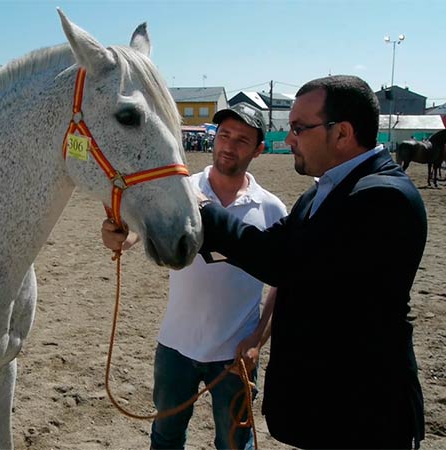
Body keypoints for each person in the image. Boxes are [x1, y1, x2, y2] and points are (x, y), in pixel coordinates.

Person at [165, 75, 426, 449]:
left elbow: (281, 262)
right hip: (329, 406)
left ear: (342, 133)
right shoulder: (323, 192)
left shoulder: (381, 197)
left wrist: (200, 209)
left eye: (299, 129)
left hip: (364, 410)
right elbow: (270, 247)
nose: (289, 140)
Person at [102, 103, 287, 449]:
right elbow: (141, 231)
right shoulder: (182, 189)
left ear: (259, 149)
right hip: (176, 347)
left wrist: (257, 342)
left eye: (242, 140)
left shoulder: (272, 208)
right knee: (166, 438)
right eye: (224, 135)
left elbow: (283, 280)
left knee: (234, 443)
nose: (228, 146)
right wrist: (120, 237)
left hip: (235, 352)